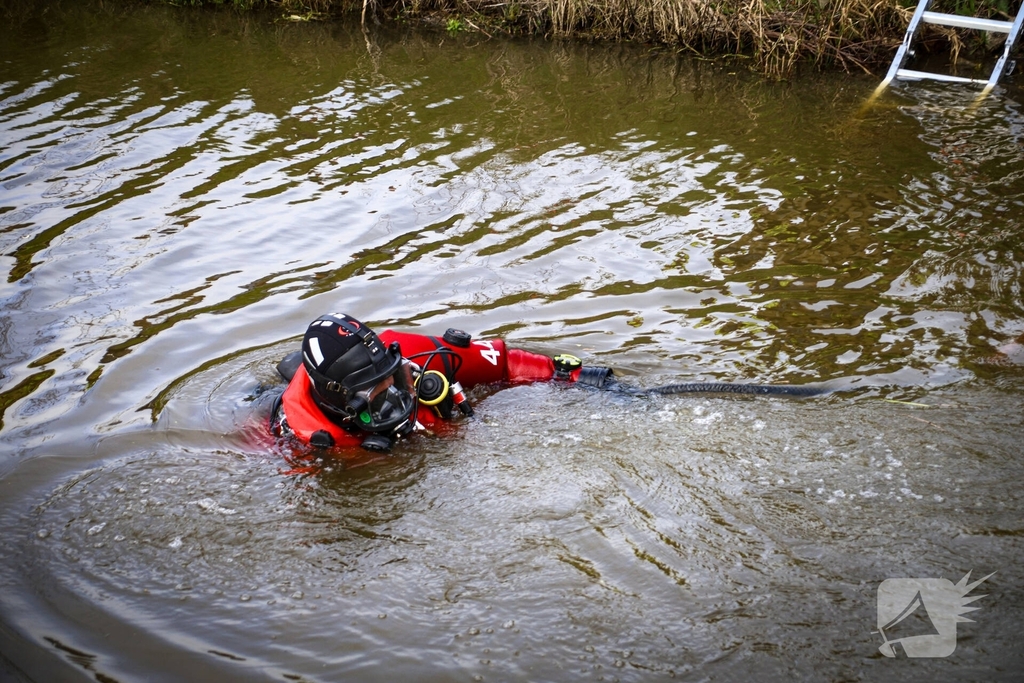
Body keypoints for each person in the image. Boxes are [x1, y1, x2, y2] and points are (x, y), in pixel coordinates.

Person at [271, 313, 611, 453]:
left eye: (395, 380)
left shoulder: (412, 352)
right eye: (376, 395)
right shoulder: (296, 442)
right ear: (341, 401)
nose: (397, 397)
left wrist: (587, 380)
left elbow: (504, 363)